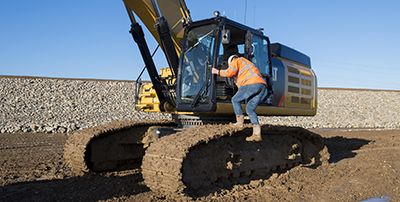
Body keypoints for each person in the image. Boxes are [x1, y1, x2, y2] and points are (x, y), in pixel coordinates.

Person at [212, 55, 267, 142]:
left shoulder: (236, 61)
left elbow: (229, 72)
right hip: (261, 86)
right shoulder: (247, 63)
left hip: (251, 84)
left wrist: (217, 72)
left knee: (235, 100)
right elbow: (240, 84)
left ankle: (239, 123)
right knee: (250, 109)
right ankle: (257, 134)